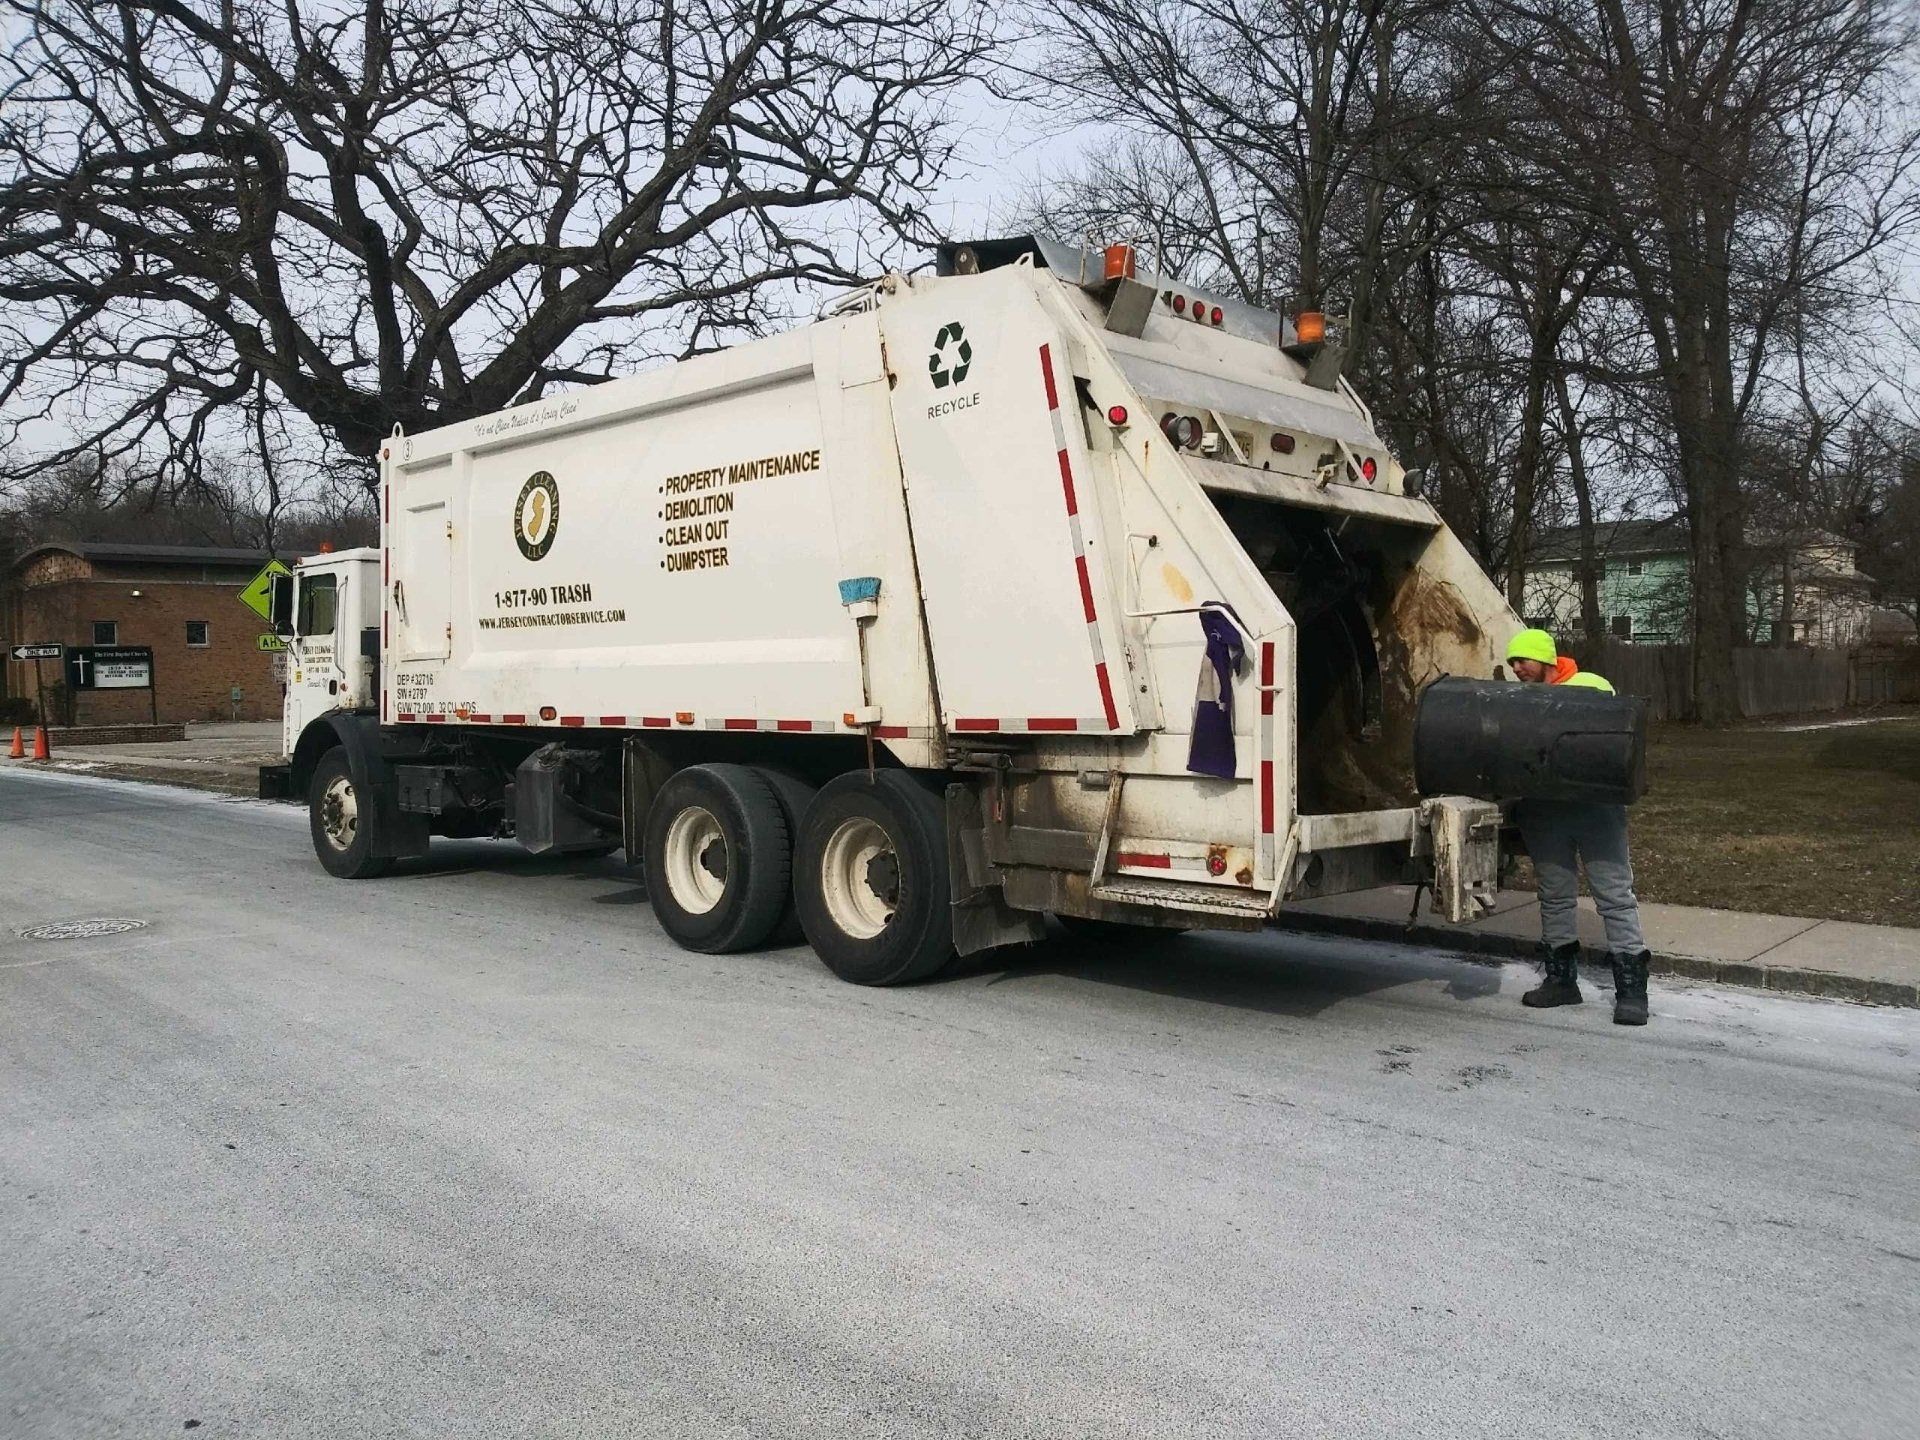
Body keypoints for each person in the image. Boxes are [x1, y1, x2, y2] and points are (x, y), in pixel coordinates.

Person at [1504, 628, 1650, 1025]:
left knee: (1615, 896)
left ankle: (1632, 992)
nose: (1517, 669)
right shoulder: (1514, 699)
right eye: (1512, 662)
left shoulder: (1591, 685)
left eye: (1524, 660)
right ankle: (1562, 982)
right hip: (1545, 812)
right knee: (1554, 896)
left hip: (1595, 810)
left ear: (1547, 659)